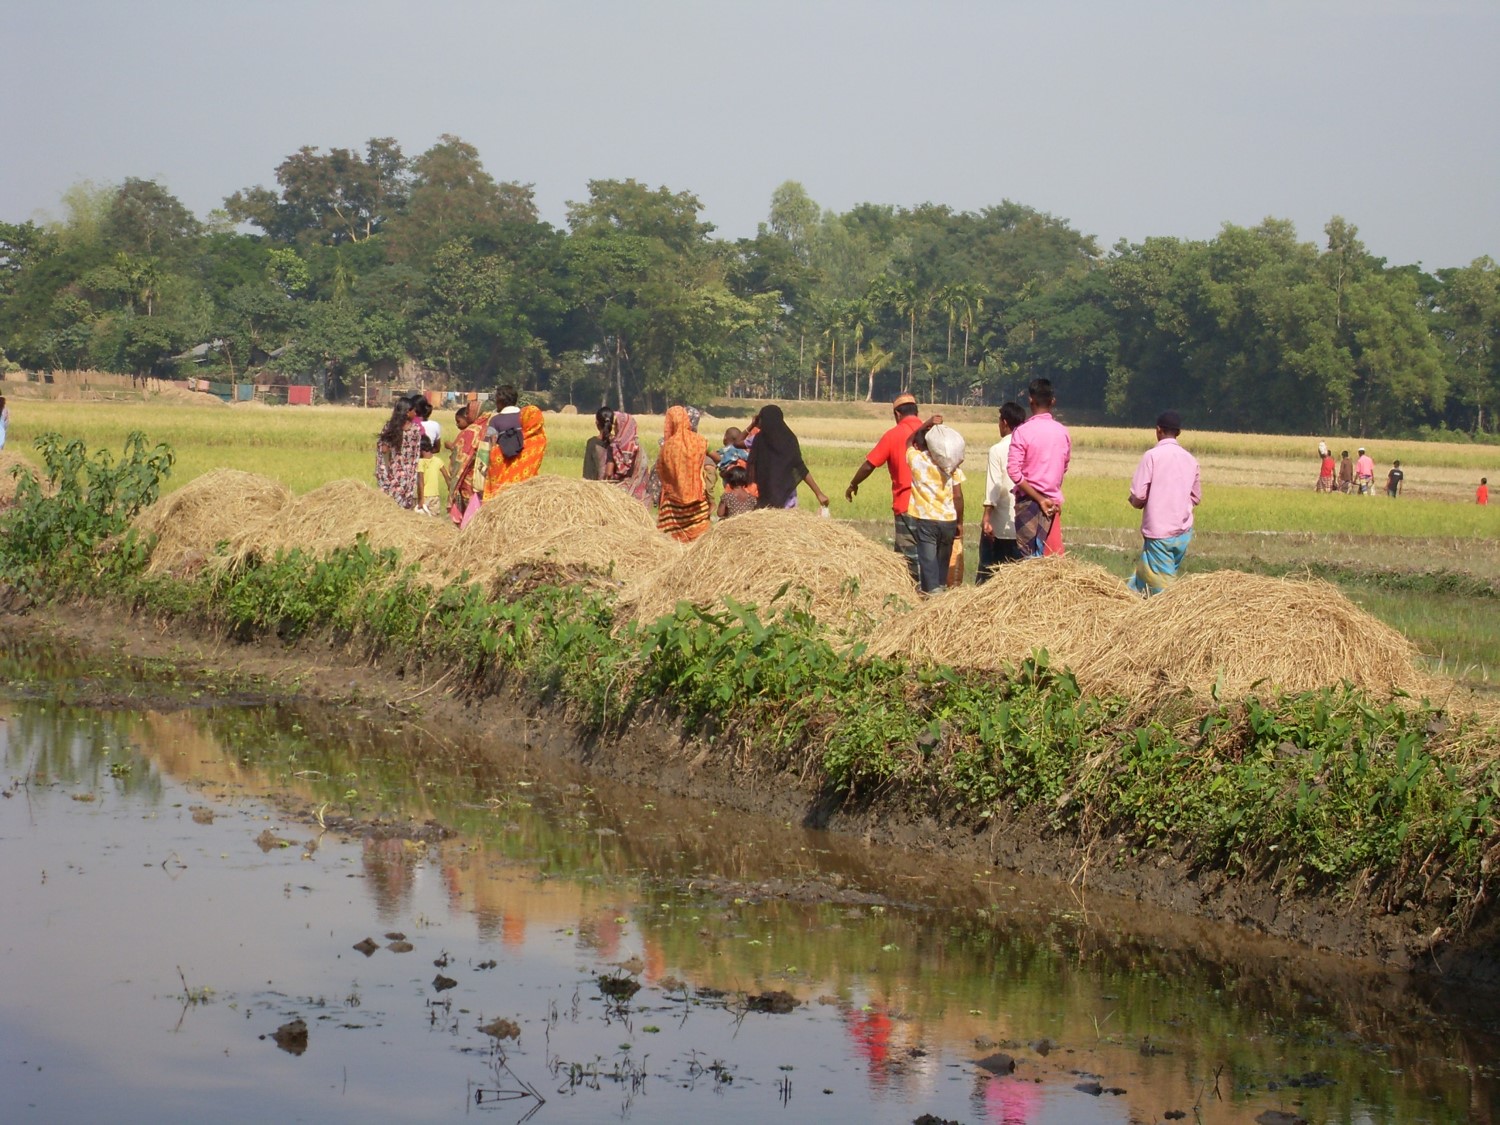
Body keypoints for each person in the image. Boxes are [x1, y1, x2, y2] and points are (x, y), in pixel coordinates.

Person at [844, 392, 924, 582]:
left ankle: (916, 596)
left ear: (897, 414)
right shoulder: (931, 432)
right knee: (929, 555)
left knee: (909, 558)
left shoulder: (893, 435)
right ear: (916, 411)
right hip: (935, 506)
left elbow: (869, 464)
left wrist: (853, 484)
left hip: (907, 505)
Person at [1126, 410, 1202, 596]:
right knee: (1149, 576)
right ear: (1178, 432)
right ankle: (1131, 599)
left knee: (1162, 590)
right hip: (1183, 532)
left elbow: (1139, 496)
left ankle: (1168, 620)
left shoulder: (1152, 456)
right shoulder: (1191, 460)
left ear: (1158, 430)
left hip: (1159, 532)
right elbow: (1196, 497)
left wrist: (1135, 502)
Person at [1007, 378, 1070, 557]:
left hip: (1028, 503)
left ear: (1030, 400)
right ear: (1053, 401)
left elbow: (1013, 471)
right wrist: (1048, 496)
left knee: (1028, 560)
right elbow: (1063, 466)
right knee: (1049, 559)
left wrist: (1038, 498)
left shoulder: (1022, 431)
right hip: (1052, 504)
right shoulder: (1062, 432)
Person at [905, 416, 965, 594]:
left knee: (929, 568)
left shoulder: (917, 461)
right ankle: (940, 597)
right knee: (941, 568)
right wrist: (959, 523)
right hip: (948, 521)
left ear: (919, 445)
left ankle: (931, 603)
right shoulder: (950, 465)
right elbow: (958, 496)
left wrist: (926, 423)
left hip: (927, 522)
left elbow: (907, 441)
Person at [978, 402, 1027, 583]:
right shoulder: (1026, 447)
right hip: (1024, 524)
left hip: (1000, 526)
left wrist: (986, 519)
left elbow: (994, 486)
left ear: (1005, 422)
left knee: (990, 576)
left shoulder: (997, 450)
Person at [747, 404, 830, 511]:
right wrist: (819, 494)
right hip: (787, 496)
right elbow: (801, 468)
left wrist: (753, 425)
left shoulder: (759, 439)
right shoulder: (789, 439)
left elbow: (752, 465)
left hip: (764, 495)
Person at [655, 405, 712, 542]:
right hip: (697, 504)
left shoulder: (667, 447)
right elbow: (712, 458)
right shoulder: (699, 441)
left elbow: (662, 473)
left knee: (671, 544)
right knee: (699, 544)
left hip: (673, 507)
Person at [484, 403, 547, 499]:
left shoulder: (517, 436)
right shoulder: (541, 439)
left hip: (505, 483)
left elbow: (498, 453)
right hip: (526, 486)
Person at [596, 407, 653, 504]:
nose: (614, 428)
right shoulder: (638, 447)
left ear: (622, 427)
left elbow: (609, 473)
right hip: (639, 495)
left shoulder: (614, 447)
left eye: (616, 426)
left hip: (621, 495)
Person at [374, 396, 422, 509]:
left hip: (394, 473)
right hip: (407, 474)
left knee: (392, 504)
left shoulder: (391, 427)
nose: (415, 413)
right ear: (407, 412)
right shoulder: (415, 429)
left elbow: (384, 449)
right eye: (413, 410)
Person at [446, 404, 490, 526]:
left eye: (467, 413)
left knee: (469, 506)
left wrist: (451, 447)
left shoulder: (472, 431)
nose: (467, 415)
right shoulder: (487, 427)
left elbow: (461, 453)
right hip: (484, 474)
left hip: (469, 475)